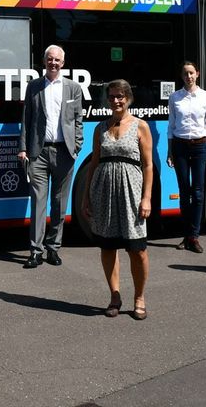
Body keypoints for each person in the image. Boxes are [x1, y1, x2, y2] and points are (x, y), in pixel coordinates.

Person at [83, 80, 154, 320]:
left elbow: (148, 165)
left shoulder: (140, 126)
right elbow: (93, 164)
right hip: (103, 192)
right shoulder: (100, 127)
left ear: (129, 98)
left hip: (132, 193)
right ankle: (114, 296)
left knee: (138, 250)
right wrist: (86, 197)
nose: (116, 100)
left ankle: (139, 297)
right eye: (112, 96)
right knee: (108, 246)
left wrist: (147, 198)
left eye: (120, 96)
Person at [18, 44, 84, 268]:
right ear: (44, 61)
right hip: (38, 152)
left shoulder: (73, 88)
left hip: (64, 152)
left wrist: (77, 146)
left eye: (57, 60)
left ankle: (53, 248)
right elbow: (26, 118)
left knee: (59, 202)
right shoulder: (34, 86)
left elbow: (77, 120)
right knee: (38, 202)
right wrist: (23, 147)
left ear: (63, 63)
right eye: (50, 59)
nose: (53, 63)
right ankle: (35, 251)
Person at [166, 61, 206, 253]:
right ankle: (186, 235)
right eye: (185, 73)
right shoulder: (174, 97)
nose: (189, 76)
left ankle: (194, 236)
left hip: (200, 147)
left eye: (192, 73)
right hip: (179, 147)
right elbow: (171, 126)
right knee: (184, 192)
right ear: (182, 76)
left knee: (198, 193)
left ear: (198, 74)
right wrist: (169, 151)